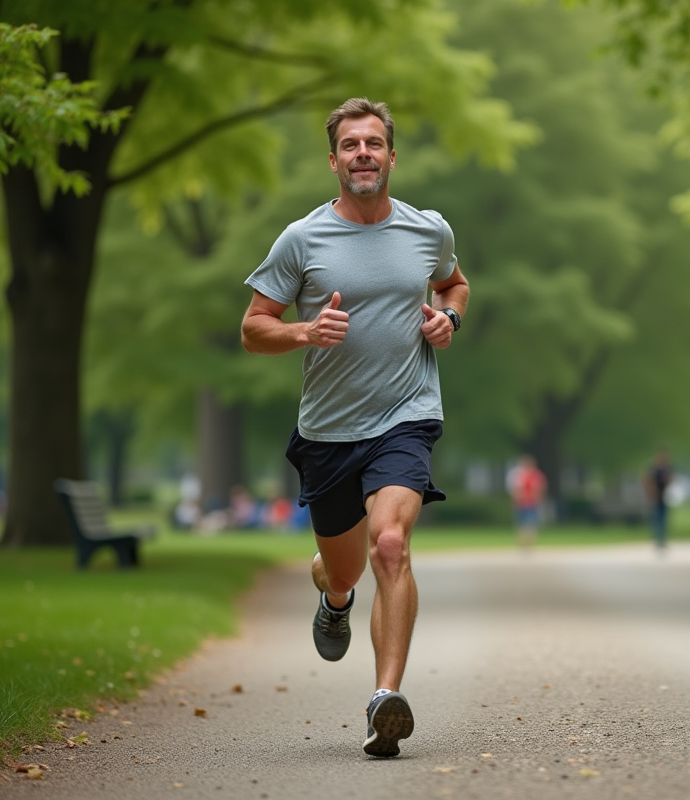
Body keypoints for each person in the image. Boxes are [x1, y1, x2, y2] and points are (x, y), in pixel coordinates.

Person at [240, 98, 468, 759]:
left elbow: (455, 286)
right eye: (350, 144)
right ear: (334, 160)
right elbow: (254, 327)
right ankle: (334, 593)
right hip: (329, 432)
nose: (362, 153)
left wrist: (448, 320)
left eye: (374, 143)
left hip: (406, 417)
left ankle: (384, 700)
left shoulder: (428, 230)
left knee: (390, 546)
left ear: (392, 157)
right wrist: (304, 331)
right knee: (345, 569)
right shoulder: (301, 239)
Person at [507, 454, 547, 552]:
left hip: (531, 503)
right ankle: (522, 545)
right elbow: (515, 490)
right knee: (521, 524)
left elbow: (539, 490)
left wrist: (537, 500)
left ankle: (530, 545)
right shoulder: (519, 476)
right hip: (521, 503)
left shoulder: (536, 476)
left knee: (530, 524)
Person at [643, 448, 672, 553]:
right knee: (656, 519)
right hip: (655, 498)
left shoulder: (667, 469)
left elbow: (670, 480)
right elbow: (647, 480)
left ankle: (662, 540)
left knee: (663, 520)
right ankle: (657, 540)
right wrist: (651, 492)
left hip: (664, 498)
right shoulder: (653, 469)